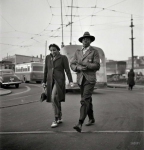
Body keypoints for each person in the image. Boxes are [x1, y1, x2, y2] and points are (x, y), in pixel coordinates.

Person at [70, 32, 100, 132]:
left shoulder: (94, 52)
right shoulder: (77, 52)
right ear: (81, 41)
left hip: (90, 79)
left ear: (90, 41)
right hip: (80, 79)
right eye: (83, 39)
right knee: (88, 100)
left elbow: (97, 66)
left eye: (87, 39)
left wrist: (84, 64)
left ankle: (79, 123)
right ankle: (91, 118)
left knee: (84, 100)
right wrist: (77, 67)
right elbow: (72, 64)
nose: (85, 41)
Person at [42, 44, 74, 128]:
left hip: (59, 81)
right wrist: (44, 81)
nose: (52, 52)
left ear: (58, 50)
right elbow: (46, 70)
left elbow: (67, 70)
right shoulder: (48, 58)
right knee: (56, 99)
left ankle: (55, 119)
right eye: (51, 50)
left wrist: (70, 81)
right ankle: (59, 117)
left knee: (53, 98)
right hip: (50, 81)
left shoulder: (63, 58)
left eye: (54, 50)